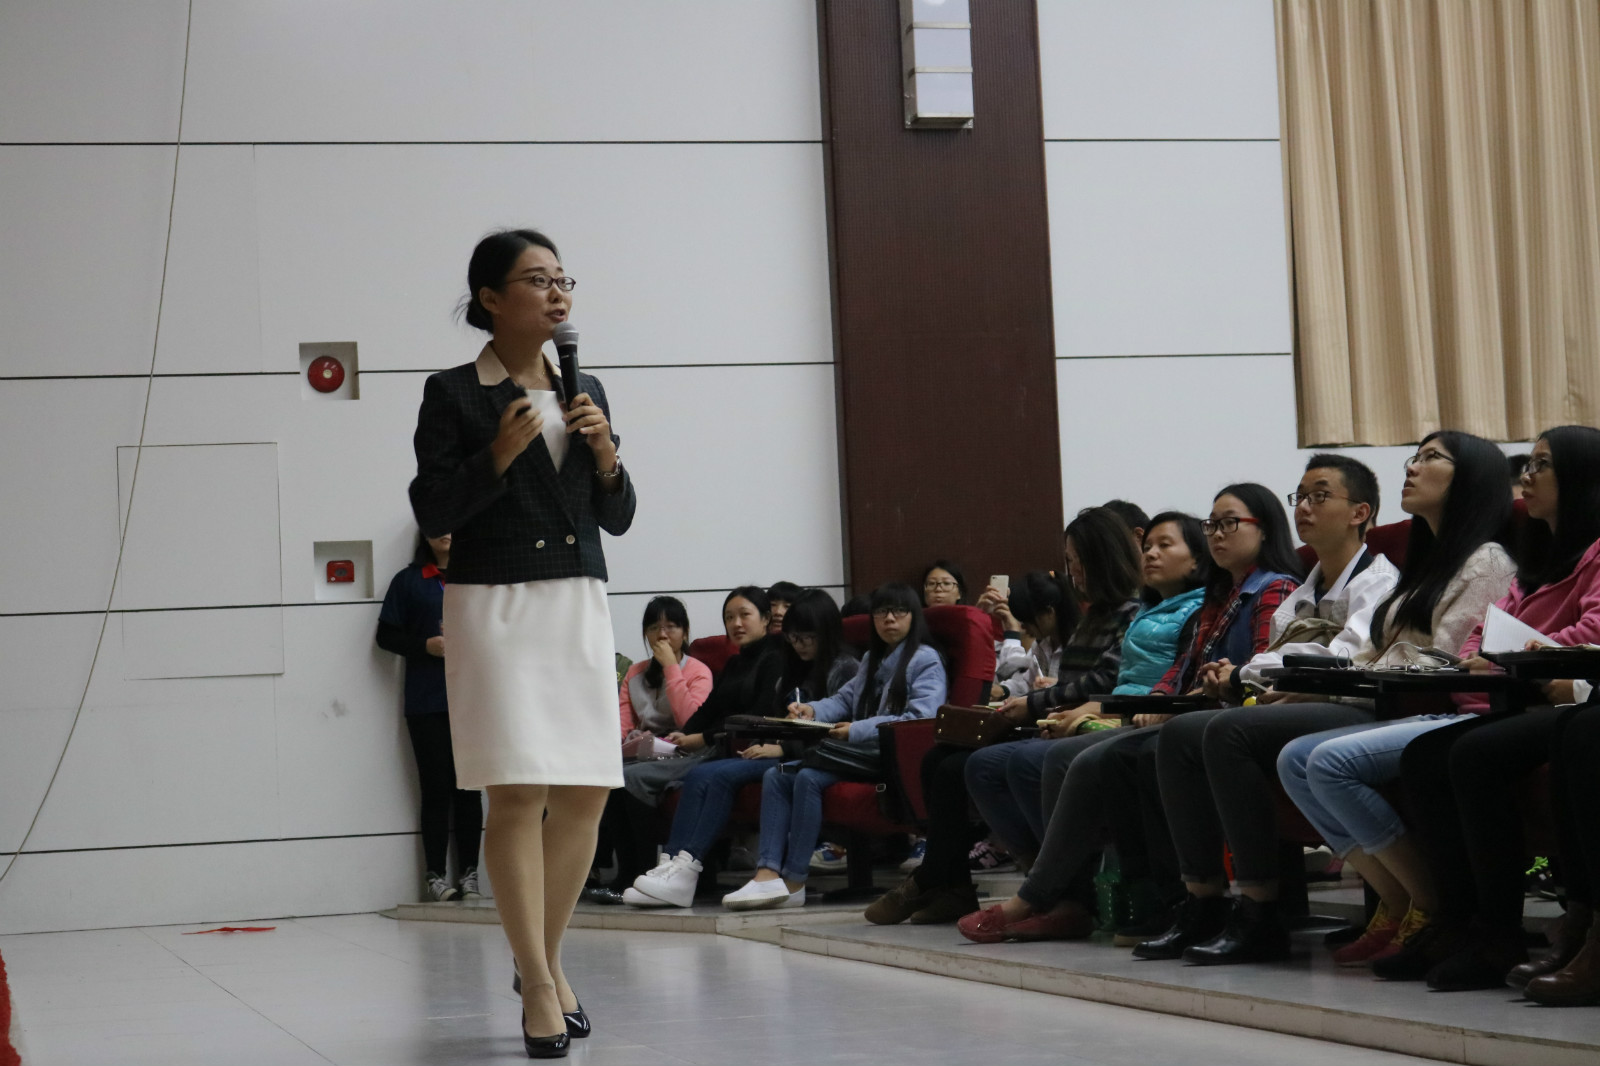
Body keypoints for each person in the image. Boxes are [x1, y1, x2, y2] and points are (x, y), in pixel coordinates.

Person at [409, 228, 637, 1056]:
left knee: (585, 791)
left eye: (563, 279)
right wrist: (497, 456)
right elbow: (434, 509)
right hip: (496, 604)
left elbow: (616, 515)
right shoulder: (452, 392)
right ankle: (539, 982)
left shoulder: (587, 385)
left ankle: (542, 957)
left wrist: (606, 457)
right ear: (490, 298)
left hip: (576, 598)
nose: (557, 292)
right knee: (515, 793)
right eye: (537, 280)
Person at [1273, 431, 1519, 980]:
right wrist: (1326, 682)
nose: (1411, 467)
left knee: (1329, 762)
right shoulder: (1429, 563)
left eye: (1431, 458)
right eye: (1415, 455)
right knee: (1294, 759)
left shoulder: (1486, 562)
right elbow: (1377, 653)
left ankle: (1428, 904)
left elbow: (1447, 659)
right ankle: (1396, 901)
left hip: (1461, 712)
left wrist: (1349, 678)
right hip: (1414, 708)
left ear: (1470, 479)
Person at [1136, 456, 1400, 965]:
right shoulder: (1304, 590)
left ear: (1359, 512)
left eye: (1320, 495)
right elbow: (1271, 657)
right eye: (1300, 496)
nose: (1304, 507)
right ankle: (1202, 900)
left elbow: (1346, 657)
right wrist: (1239, 674)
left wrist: (1251, 675)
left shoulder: (1379, 580)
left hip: (1354, 706)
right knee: (1180, 734)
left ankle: (1260, 909)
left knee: (1227, 732)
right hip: (1298, 701)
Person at [1381, 426, 1600, 990]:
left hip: (1557, 697)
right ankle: (1459, 920)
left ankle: (1507, 931)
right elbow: (1484, 629)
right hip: (1526, 695)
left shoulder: (1597, 551)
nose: (1527, 475)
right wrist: (1488, 655)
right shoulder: (1540, 554)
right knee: (1425, 756)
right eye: (1529, 464)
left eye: (1543, 465)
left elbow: (1591, 631)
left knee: (1483, 752)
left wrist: (1509, 656)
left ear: (1581, 478)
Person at [865, 508, 1141, 925]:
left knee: (980, 765)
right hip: (1057, 719)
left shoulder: (1131, 612)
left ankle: (1051, 885)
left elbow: (1104, 681)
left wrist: (1032, 704)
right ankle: (957, 881)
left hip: (1090, 722)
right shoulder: (1094, 616)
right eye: (1068, 561)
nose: (1071, 572)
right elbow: (1073, 684)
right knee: (940, 758)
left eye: (1076, 560)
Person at [944, 512, 1210, 942]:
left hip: (1139, 715)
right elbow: (1118, 680)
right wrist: (1072, 711)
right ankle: (1048, 882)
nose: (1149, 555)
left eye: (1164, 545)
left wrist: (1080, 710)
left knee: (1045, 760)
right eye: (1148, 547)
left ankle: (1058, 895)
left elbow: (1135, 681)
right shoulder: (1144, 609)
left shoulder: (1178, 609)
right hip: (1118, 710)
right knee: (980, 765)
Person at [721, 583, 947, 910]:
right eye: (882, 612)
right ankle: (767, 873)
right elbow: (843, 699)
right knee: (777, 775)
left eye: (899, 611)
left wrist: (856, 729)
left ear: (914, 617)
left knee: (808, 776)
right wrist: (811, 711)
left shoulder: (925, 660)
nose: (889, 619)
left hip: (891, 756)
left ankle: (795, 881)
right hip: (860, 753)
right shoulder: (872, 658)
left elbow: (919, 718)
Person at [625, 590, 856, 908]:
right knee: (701, 775)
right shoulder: (787, 664)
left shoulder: (839, 667)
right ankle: (674, 864)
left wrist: (779, 747)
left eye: (807, 637)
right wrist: (691, 735)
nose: (800, 644)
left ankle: (688, 868)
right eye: (794, 638)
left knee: (715, 775)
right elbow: (766, 716)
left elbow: (835, 725)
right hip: (774, 747)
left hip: (804, 755)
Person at [376, 531, 484, 903]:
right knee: (436, 790)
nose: (446, 533)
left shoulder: (478, 576)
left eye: (453, 525)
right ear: (424, 532)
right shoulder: (408, 581)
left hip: (475, 701)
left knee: (470, 790)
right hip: (427, 703)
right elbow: (385, 636)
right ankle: (435, 876)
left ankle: (470, 874)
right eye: (437, 525)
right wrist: (424, 645)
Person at [590, 598, 713, 901]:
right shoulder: (635, 673)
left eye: (671, 627)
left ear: (685, 632)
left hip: (688, 750)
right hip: (645, 751)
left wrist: (671, 667)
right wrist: (621, 746)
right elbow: (622, 724)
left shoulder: (698, 671)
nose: (662, 635)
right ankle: (624, 873)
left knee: (632, 778)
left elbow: (691, 721)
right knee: (610, 775)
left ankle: (642, 872)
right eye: (655, 627)